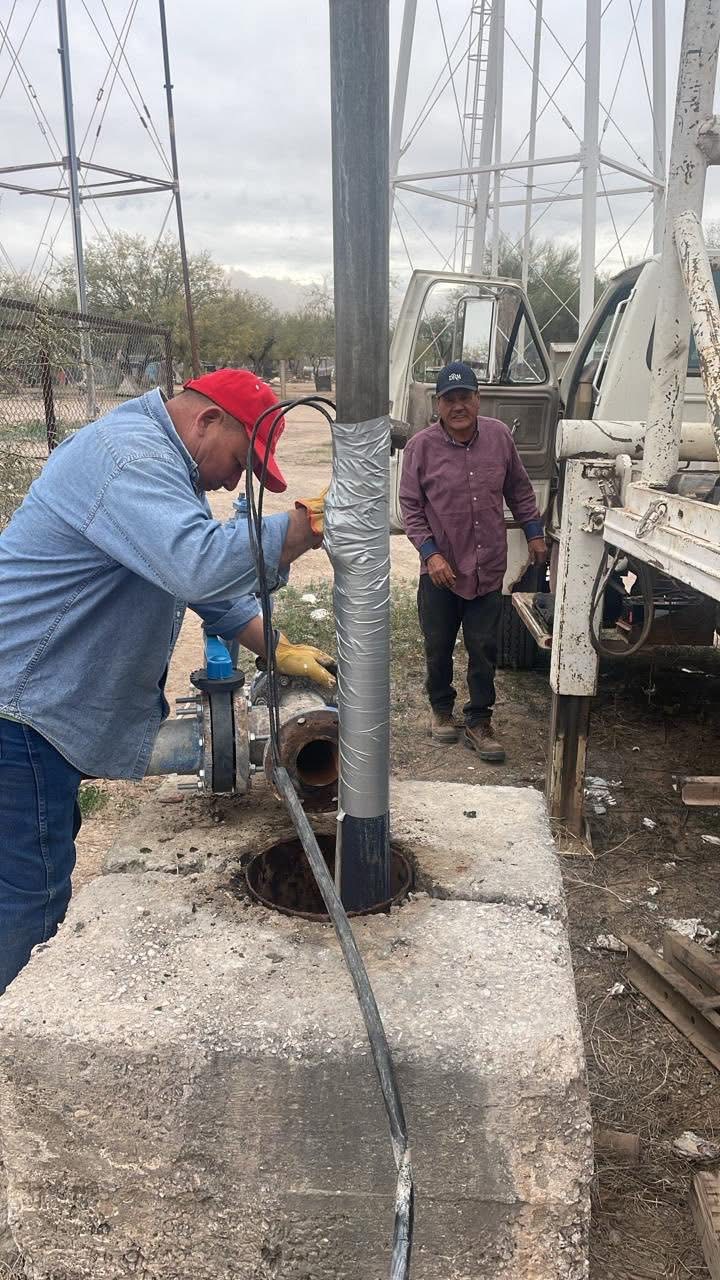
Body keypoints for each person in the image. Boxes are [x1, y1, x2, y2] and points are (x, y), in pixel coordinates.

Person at [0, 369, 330, 993]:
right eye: (241, 461)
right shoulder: (127, 457)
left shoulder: (154, 460)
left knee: (29, 868)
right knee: (29, 898)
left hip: (30, 707)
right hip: (21, 707)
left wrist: (278, 648)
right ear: (209, 421)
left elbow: (192, 584)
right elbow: (196, 564)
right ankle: (21, 1041)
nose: (236, 481)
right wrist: (297, 531)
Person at [399, 360, 547, 764]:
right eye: (450, 399)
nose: (458, 406)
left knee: (483, 647)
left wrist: (534, 533)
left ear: (478, 399)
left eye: (465, 397)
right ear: (438, 404)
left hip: (486, 567)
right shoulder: (420, 447)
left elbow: (518, 488)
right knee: (438, 646)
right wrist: (431, 555)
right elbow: (410, 508)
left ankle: (480, 720)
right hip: (440, 571)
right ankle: (441, 710)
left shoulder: (499, 438)